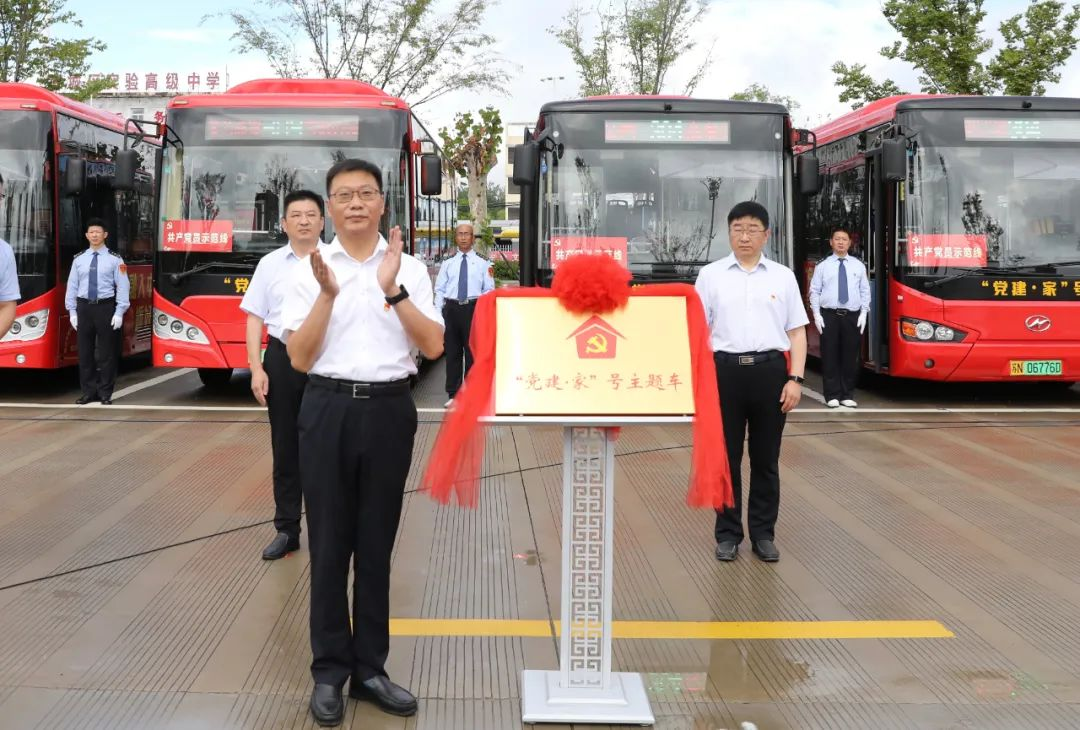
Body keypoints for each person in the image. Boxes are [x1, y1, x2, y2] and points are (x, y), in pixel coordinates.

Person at [281, 158, 443, 727]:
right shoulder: (309, 269)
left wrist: (392, 289)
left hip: (389, 410)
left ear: (382, 203)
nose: (355, 203)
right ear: (329, 206)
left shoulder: (410, 267)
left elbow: (434, 346)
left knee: (376, 545)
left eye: (366, 193)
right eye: (344, 195)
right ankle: (329, 671)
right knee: (329, 545)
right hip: (326, 407)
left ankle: (370, 670)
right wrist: (327, 295)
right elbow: (299, 358)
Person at [694, 201, 808, 563]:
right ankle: (728, 534)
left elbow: (797, 332)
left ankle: (763, 534)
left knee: (766, 459)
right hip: (724, 373)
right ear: (729, 233)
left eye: (752, 229)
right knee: (726, 459)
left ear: (766, 234)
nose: (745, 236)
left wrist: (795, 379)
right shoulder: (710, 276)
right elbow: (697, 332)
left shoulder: (782, 276)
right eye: (738, 229)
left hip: (770, 373)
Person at [240, 190, 327, 561]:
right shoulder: (270, 264)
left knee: (327, 449)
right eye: (296, 215)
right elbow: (254, 317)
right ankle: (287, 529)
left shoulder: (337, 261)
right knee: (286, 447)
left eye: (311, 214)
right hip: (282, 358)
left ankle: (327, 530)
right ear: (283, 223)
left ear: (322, 222)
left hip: (327, 360)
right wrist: (256, 368)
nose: (304, 221)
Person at [65, 218, 129, 405]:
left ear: (105, 235)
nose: (94, 235)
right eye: (91, 232)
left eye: (98, 232)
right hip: (84, 307)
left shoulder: (115, 259)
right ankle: (88, 392)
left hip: (105, 307)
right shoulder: (79, 259)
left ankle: (105, 393)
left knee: (106, 353)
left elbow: (123, 286)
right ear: (87, 235)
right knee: (85, 353)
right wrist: (72, 311)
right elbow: (72, 286)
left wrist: (119, 311)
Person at [433, 222, 494, 406]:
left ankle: (471, 394)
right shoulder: (448, 263)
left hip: (473, 309)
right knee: (452, 353)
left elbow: (489, 290)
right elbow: (440, 289)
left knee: (472, 353)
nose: (464, 237)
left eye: (467, 234)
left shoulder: (484, 263)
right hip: (451, 309)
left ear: (473, 238)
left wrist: (483, 311)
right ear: (456, 237)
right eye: (460, 234)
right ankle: (454, 394)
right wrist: (438, 314)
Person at [809, 228, 871, 408]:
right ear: (831, 242)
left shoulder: (858, 266)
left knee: (850, 356)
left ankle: (847, 394)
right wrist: (816, 314)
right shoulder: (822, 266)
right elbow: (815, 291)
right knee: (830, 355)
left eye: (844, 239)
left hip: (851, 316)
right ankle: (832, 394)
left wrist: (864, 313)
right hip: (829, 315)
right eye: (837, 239)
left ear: (850, 243)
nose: (841, 242)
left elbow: (865, 291)